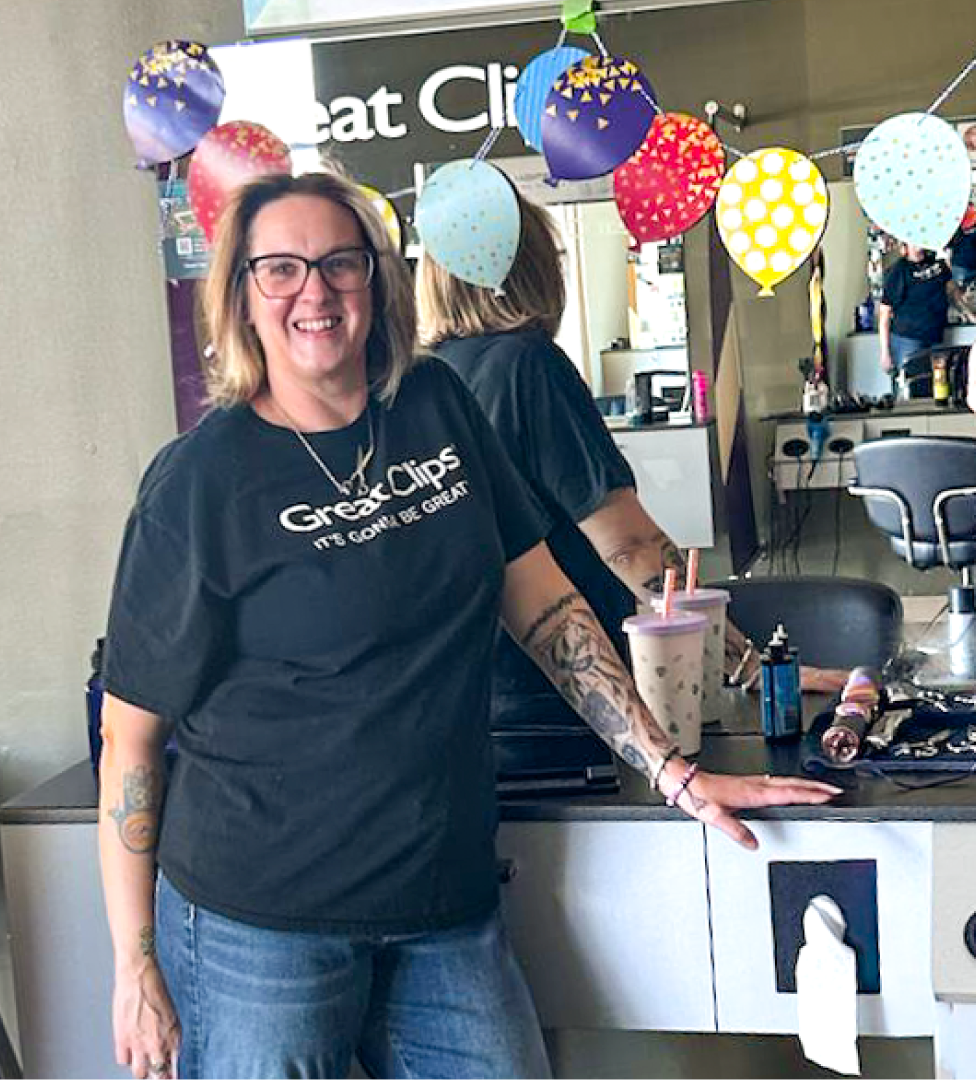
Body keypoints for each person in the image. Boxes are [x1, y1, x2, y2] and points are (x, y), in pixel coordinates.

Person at [98, 171, 840, 1080]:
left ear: (377, 278)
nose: (315, 291)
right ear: (241, 294)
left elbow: (546, 608)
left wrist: (673, 773)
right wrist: (134, 962)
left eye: (340, 263)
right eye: (281, 268)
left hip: (441, 897)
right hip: (261, 923)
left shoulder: (436, 406)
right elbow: (130, 738)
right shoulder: (199, 482)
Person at [416, 194, 846, 710]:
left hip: (474, 686)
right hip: (564, 686)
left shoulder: (426, 378)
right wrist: (750, 667)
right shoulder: (528, 365)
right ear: (532, 267)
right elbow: (630, 545)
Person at [878, 240, 976, 391]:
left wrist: (969, 315)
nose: (918, 244)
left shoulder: (938, 265)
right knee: (909, 386)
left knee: (936, 385)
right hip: (908, 338)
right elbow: (884, 314)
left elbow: (953, 293)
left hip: (934, 335)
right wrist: (885, 352)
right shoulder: (898, 271)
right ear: (905, 245)